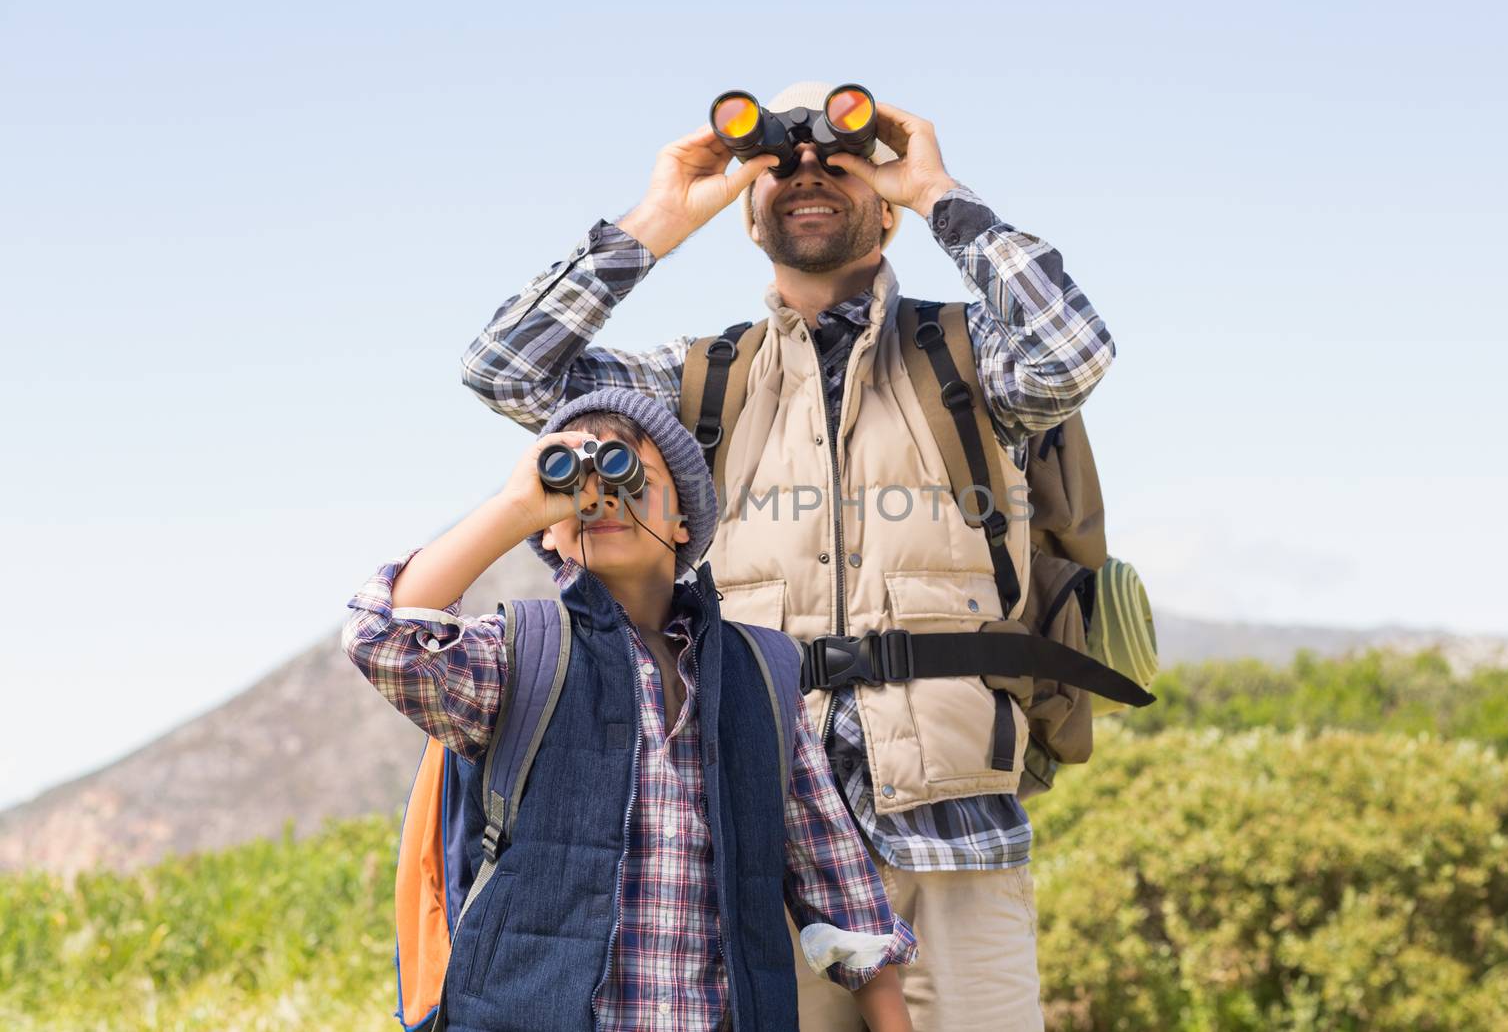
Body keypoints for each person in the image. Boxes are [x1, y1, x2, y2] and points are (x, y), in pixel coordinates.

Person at [459, 82, 1117, 1031]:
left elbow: (1075, 351)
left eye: (838, 157)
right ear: (749, 207)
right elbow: (505, 369)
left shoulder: (974, 361)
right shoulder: (696, 382)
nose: (808, 170)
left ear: (883, 203)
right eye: (780, 161)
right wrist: (659, 217)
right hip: (756, 842)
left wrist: (938, 190)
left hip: (956, 844)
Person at [342, 389, 916, 1032]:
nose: (602, 495)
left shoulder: (763, 672)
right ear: (550, 534)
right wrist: (516, 506)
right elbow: (381, 638)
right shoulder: (518, 655)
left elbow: (834, 873)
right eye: (574, 482)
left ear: (683, 524)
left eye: (629, 474)